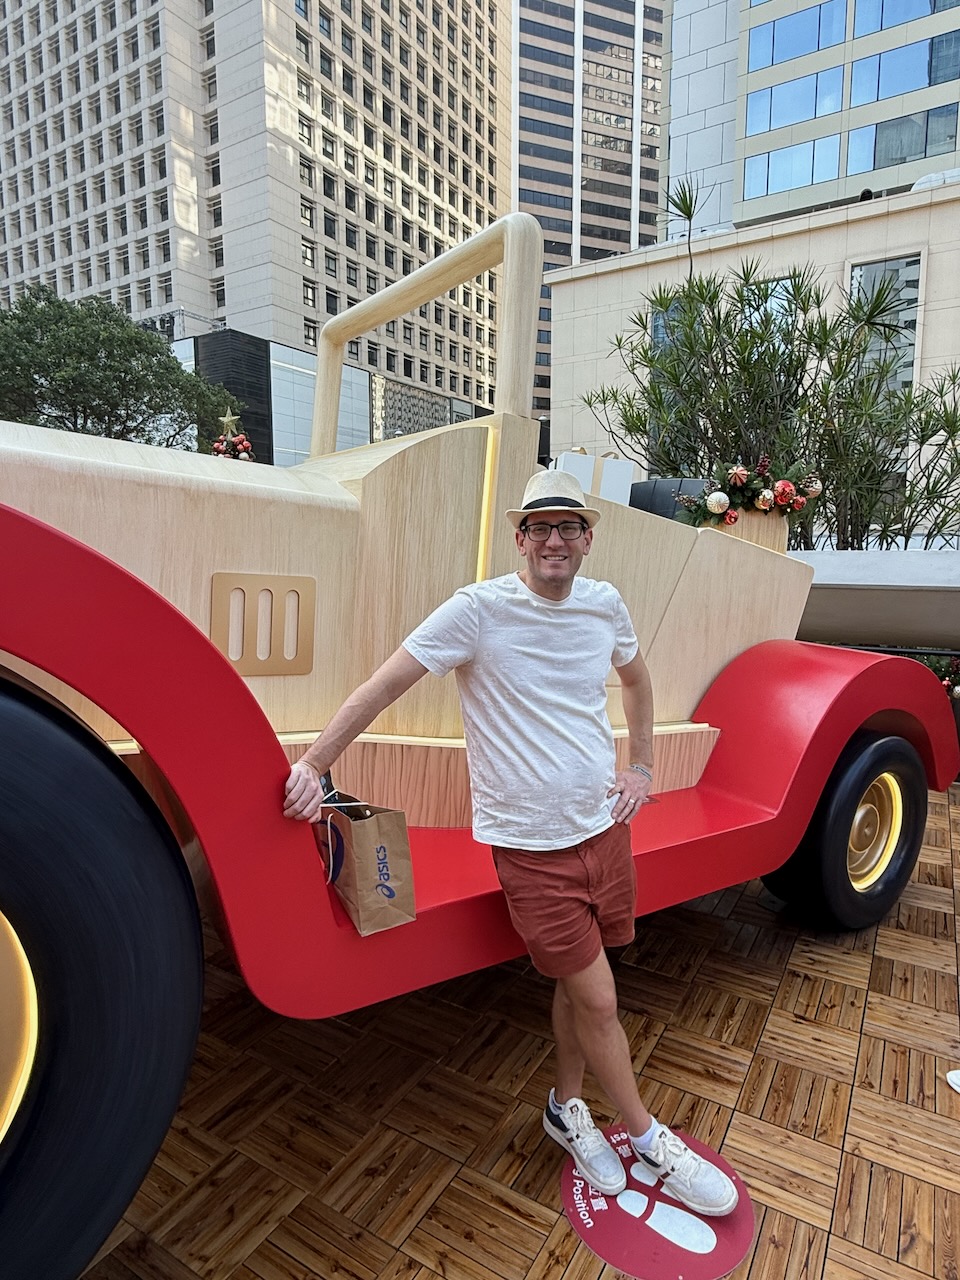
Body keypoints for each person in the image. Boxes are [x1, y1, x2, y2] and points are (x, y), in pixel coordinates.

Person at [283, 470, 738, 1215]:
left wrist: (643, 766)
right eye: (539, 527)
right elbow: (382, 687)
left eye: (568, 527)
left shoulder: (604, 604)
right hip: (532, 851)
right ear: (519, 539)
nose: (554, 540)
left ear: (587, 539)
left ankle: (566, 1107)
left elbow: (637, 681)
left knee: (578, 983)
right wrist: (314, 763)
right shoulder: (478, 611)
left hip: (605, 831)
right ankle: (649, 1137)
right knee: (601, 999)